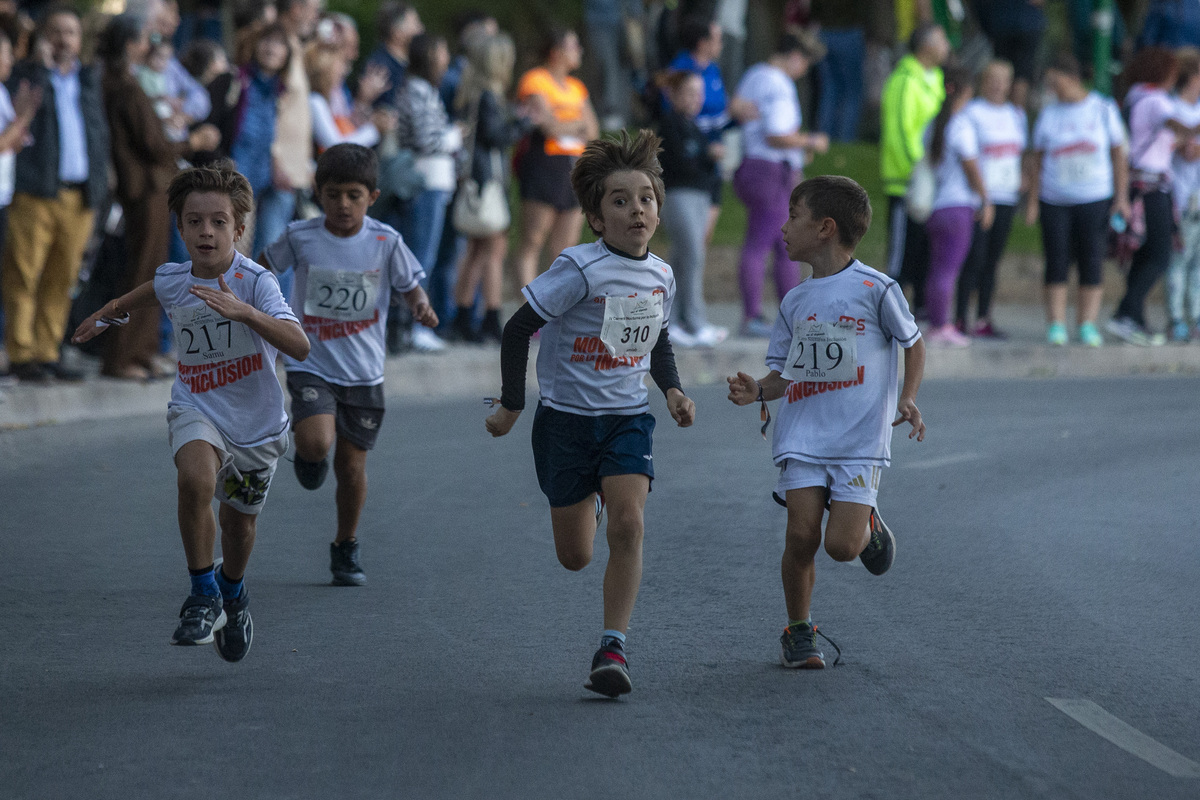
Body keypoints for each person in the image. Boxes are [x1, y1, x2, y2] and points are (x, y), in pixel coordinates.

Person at [484, 130, 696, 698]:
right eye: (620, 200)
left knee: (631, 525)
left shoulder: (662, 275)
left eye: (646, 198)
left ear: (658, 209)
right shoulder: (578, 268)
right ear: (597, 218)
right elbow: (518, 328)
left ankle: (613, 646)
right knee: (575, 555)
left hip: (628, 418)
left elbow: (658, 340)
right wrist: (510, 404)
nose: (636, 209)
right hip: (565, 423)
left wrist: (672, 391)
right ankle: (591, 502)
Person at [71, 163, 310, 661]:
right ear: (179, 227)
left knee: (238, 526)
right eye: (194, 221)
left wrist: (245, 312)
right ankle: (203, 594)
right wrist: (105, 313)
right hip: (196, 406)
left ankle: (233, 593)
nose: (206, 231)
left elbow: (300, 346)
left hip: (257, 427)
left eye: (219, 222)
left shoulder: (256, 283)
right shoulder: (174, 278)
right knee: (194, 480)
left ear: (239, 229)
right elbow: (150, 292)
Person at [726, 175, 925, 669]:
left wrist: (909, 396)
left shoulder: (877, 289)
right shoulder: (795, 301)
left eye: (794, 216)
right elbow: (783, 373)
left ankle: (868, 527)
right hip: (803, 438)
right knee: (801, 536)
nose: (784, 226)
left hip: (859, 442)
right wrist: (758, 390)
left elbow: (914, 344)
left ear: (825, 228)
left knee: (840, 547)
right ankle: (798, 630)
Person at [263, 144, 436, 585]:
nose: (343, 204)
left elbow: (409, 285)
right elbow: (261, 269)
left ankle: (345, 545)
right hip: (310, 361)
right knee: (319, 442)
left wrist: (420, 306)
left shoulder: (385, 241)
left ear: (372, 197)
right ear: (319, 193)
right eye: (334, 194)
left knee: (352, 468)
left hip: (363, 372)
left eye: (354, 195)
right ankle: (308, 452)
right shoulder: (301, 236)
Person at [100, 13, 221, 380]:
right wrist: (192, 142)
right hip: (144, 187)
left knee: (154, 272)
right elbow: (153, 143)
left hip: (152, 186)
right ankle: (124, 356)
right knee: (142, 274)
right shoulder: (123, 84)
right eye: (140, 39)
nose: (146, 46)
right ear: (128, 44)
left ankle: (142, 350)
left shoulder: (126, 82)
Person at [2, 6, 108, 383]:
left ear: (81, 40)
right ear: (44, 37)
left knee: (62, 278)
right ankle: (21, 354)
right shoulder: (25, 75)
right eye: (57, 32)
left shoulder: (90, 77)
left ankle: (48, 352)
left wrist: (100, 185)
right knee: (24, 274)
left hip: (78, 194)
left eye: (71, 32)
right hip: (35, 190)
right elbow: (19, 111)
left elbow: (98, 133)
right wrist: (40, 67)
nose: (65, 39)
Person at [1025, 53, 1128, 346]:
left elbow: (1119, 157)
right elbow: (1037, 160)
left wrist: (1121, 198)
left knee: (1091, 259)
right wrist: (1032, 201)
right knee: (1056, 259)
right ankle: (1056, 324)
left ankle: (1087, 324)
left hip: (1094, 197)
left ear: (1072, 79)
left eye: (1056, 83)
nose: (1052, 89)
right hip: (1054, 199)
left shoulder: (1102, 109)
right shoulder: (1049, 114)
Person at [732, 31, 829, 337]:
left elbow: (739, 110)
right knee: (762, 244)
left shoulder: (754, 75)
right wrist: (811, 140)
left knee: (783, 244)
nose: (803, 72)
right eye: (805, 65)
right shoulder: (779, 83)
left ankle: (790, 316)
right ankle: (753, 316)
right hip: (770, 170)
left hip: (754, 166)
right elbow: (776, 133)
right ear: (795, 57)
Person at [448, 31, 528, 345]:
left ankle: (466, 315)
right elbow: (496, 137)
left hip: (476, 181)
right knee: (492, 250)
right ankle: (489, 317)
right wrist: (523, 123)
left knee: (476, 252)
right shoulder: (488, 96)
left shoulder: (472, 92)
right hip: (487, 182)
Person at [1109, 47, 1190, 345]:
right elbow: (1178, 125)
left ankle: (1134, 318)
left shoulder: (1135, 96)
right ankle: (1125, 313)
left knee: (1143, 254)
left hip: (1138, 182)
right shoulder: (1155, 99)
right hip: (1151, 186)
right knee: (1160, 254)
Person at [512, 27, 599, 291]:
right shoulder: (535, 80)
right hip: (544, 164)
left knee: (565, 247)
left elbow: (593, 130)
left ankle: (554, 311)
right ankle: (528, 310)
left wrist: (564, 123)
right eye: (573, 46)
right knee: (534, 238)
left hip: (574, 166)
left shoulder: (577, 87)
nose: (579, 52)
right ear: (556, 52)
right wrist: (575, 124)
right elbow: (547, 126)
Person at [395, 32, 461, 353]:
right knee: (421, 258)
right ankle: (414, 326)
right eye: (442, 50)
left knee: (428, 256)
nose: (446, 58)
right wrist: (453, 137)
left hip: (436, 183)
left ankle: (413, 325)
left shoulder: (425, 91)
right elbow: (426, 140)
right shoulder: (416, 92)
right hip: (425, 182)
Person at [880, 23, 949, 313]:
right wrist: (917, 170)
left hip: (931, 180)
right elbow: (900, 131)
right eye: (942, 38)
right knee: (901, 251)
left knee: (924, 248)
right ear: (926, 46)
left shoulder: (934, 78)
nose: (947, 45)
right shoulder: (905, 79)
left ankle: (921, 306)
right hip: (907, 181)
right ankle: (889, 310)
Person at [955, 60, 1026, 339]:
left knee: (992, 260)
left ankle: (984, 317)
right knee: (974, 257)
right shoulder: (972, 112)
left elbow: (1021, 153)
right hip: (980, 197)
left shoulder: (1015, 115)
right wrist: (982, 195)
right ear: (984, 81)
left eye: (1003, 79)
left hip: (1006, 196)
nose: (998, 84)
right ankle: (961, 317)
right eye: (993, 78)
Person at [657, 70, 727, 347]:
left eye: (699, 94)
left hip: (699, 195)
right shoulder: (669, 125)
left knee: (683, 258)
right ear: (674, 95)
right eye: (689, 93)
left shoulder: (694, 127)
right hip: (679, 194)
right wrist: (706, 156)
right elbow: (679, 162)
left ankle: (674, 320)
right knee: (692, 254)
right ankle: (694, 321)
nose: (696, 99)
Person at [923, 68, 990, 347]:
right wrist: (985, 198)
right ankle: (941, 325)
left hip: (936, 206)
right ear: (967, 93)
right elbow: (971, 166)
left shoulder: (934, 124)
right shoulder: (961, 125)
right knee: (948, 270)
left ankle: (934, 319)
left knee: (937, 267)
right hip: (958, 207)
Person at [1168, 47, 1200, 341]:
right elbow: (1188, 151)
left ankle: (1197, 315)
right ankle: (1176, 316)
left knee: (1198, 261)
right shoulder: (1173, 108)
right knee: (1180, 258)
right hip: (1182, 194)